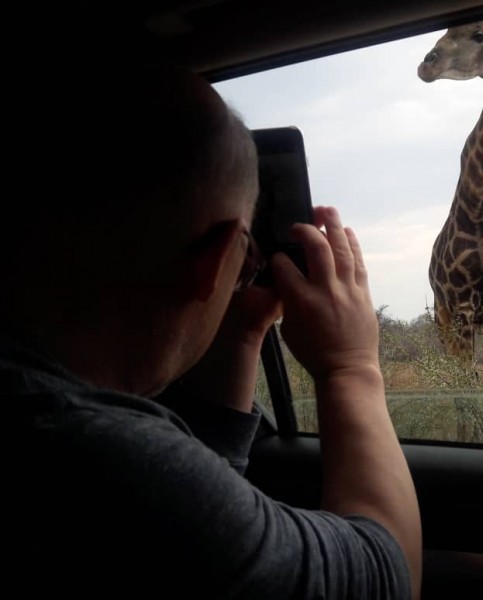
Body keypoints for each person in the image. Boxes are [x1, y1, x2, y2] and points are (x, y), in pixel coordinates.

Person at [1, 56, 421, 599]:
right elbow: (389, 576)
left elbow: (195, 524)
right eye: (242, 255)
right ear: (218, 257)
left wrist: (241, 335)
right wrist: (352, 367)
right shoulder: (95, 458)